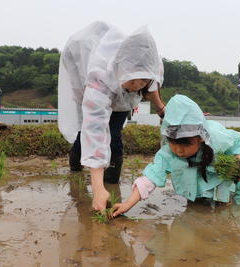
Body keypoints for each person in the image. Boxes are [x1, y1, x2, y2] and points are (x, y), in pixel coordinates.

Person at [58, 21, 165, 212]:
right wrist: (97, 190)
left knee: (114, 136)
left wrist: (160, 109)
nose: (138, 85)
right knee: (88, 133)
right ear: (121, 68)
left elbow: (151, 87)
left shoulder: (151, 64)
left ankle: (112, 182)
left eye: (143, 79)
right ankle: (76, 166)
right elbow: (95, 129)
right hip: (85, 75)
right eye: (133, 79)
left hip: (121, 97)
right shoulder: (101, 76)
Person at [112, 94, 240, 217]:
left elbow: (237, 142)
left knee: (223, 209)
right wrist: (127, 204)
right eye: (173, 142)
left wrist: (239, 161)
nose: (178, 150)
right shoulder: (167, 153)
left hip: (220, 178)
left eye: (186, 144)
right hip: (193, 181)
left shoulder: (216, 138)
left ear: (200, 138)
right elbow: (150, 178)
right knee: (195, 206)